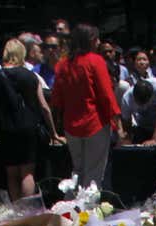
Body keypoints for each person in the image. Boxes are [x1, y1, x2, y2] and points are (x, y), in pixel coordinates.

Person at [51, 24, 119, 189]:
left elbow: (56, 99)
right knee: (94, 174)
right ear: (90, 41)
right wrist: (116, 119)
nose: (98, 43)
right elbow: (106, 94)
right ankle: (88, 213)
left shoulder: (62, 65)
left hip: (71, 126)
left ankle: (70, 211)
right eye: (96, 39)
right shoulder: (95, 61)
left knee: (77, 172)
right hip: (95, 123)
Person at [0, 38, 55, 200]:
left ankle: (17, 211)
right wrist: (53, 132)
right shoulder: (31, 76)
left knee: (11, 173)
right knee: (27, 173)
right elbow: (44, 107)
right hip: (27, 128)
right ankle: (27, 211)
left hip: (4, 129)